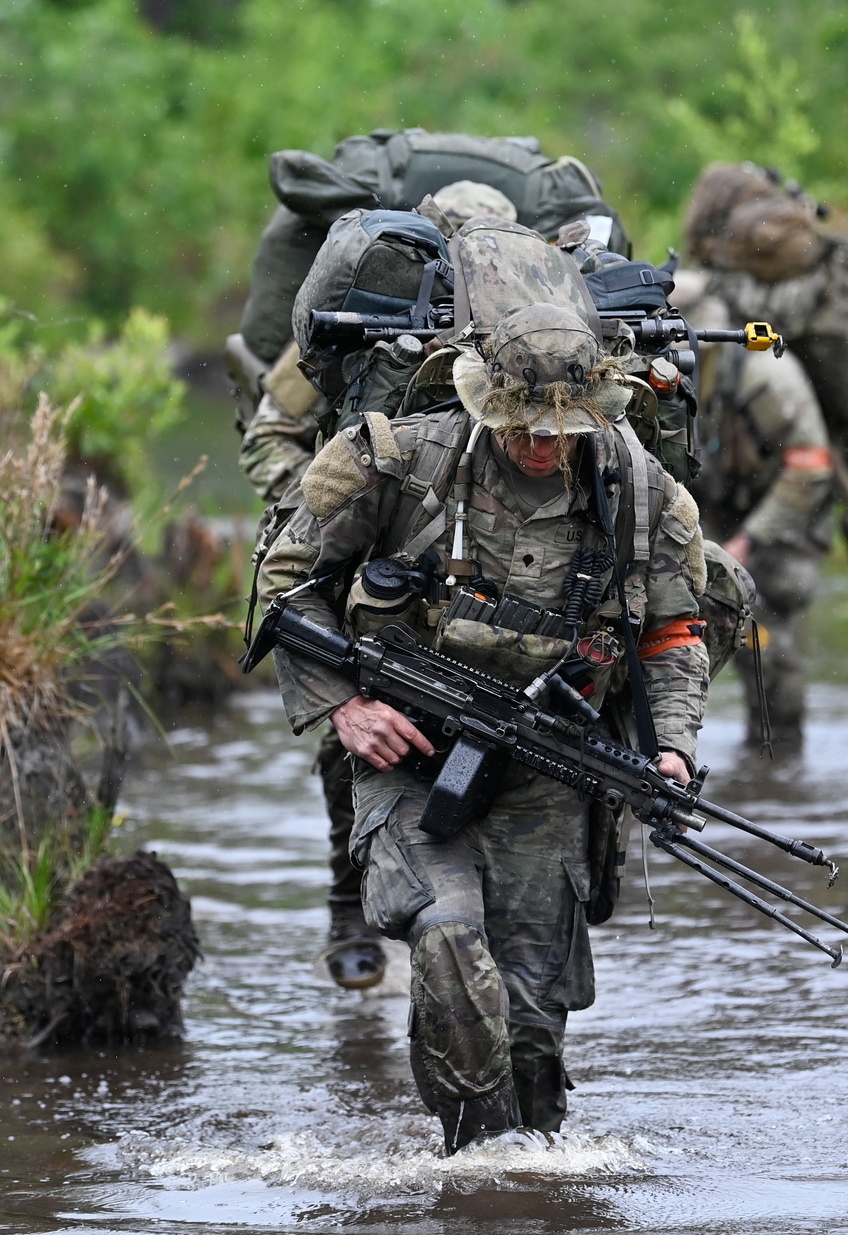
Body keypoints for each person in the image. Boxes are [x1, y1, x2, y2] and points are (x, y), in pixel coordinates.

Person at [254, 304, 711, 1151]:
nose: (542, 445)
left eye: (561, 431)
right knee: (452, 946)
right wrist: (346, 706)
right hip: (412, 756)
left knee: (533, 1026)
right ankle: (471, 1169)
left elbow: (675, 633)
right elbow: (283, 586)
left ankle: (520, 1178)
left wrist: (672, 750)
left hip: (551, 768)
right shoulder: (394, 459)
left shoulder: (644, 491)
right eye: (523, 428)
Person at [236, 184, 520, 992]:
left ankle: (477, 932)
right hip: (352, 548)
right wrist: (325, 506)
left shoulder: (522, 336)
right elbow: (270, 433)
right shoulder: (371, 315)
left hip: (475, 561)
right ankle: (348, 904)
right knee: (349, 735)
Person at [673, 270, 835, 750]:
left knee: (767, 627)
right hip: (722, 506)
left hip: (787, 510)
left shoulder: (764, 372)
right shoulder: (677, 370)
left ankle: (781, 752)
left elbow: (811, 467)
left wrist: (750, 540)